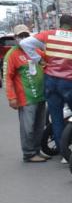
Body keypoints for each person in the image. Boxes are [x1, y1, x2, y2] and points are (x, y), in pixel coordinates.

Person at [18, 14, 72, 161]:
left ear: (60, 24)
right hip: (70, 83)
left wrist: (38, 59)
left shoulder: (49, 34)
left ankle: (64, 155)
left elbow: (25, 44)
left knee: (56, 118)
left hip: (51, 81)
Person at [4, 25, 48, 162]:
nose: (23, 39)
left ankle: (36, 150)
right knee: (28, 128)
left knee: (40, 126)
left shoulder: (35, 50)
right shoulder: (12, 54)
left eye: (26, 36)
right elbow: (7, 77)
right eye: (20, 36)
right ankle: (29, 153)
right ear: (15, 38)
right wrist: (11, 98)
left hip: (41, 95)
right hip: (26, 97)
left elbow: (47, 62)